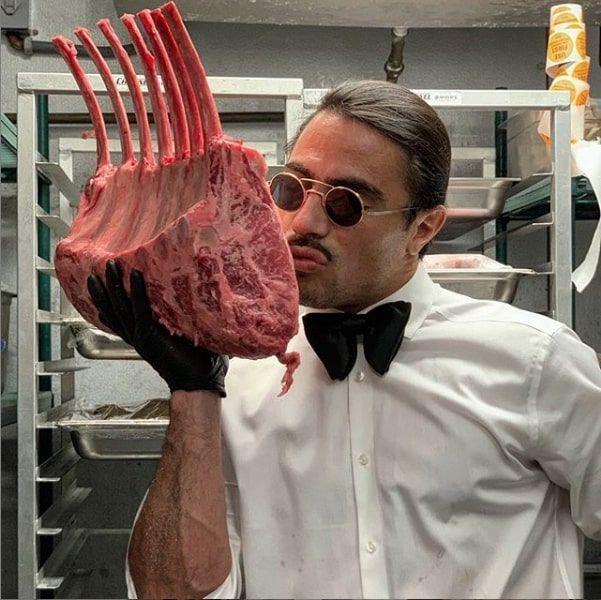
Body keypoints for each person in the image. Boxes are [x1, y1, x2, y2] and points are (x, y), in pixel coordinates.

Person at [88, 81, 601, 599]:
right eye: (292, 190)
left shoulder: (534, 362)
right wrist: (193, 392)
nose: (304, 223)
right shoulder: (236, 382)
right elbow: (172, 594)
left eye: (346, 204)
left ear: (423, 228)